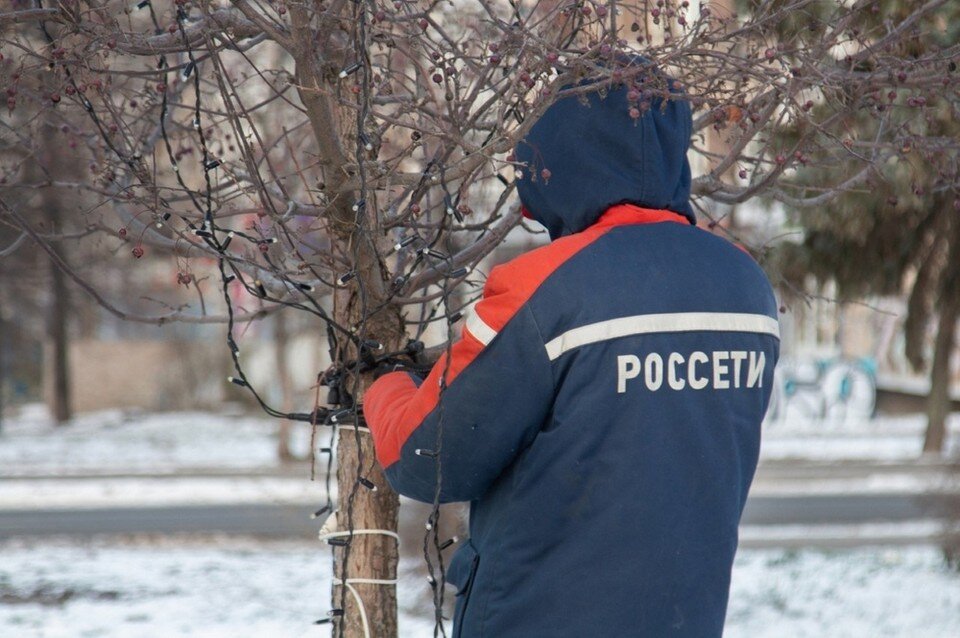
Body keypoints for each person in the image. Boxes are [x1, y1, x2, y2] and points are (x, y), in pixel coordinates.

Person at [363, 61, 780, 637]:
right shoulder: (747, 288)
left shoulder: (543, 286)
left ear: (558, 160)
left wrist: (381, 384)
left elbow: (427, 458)